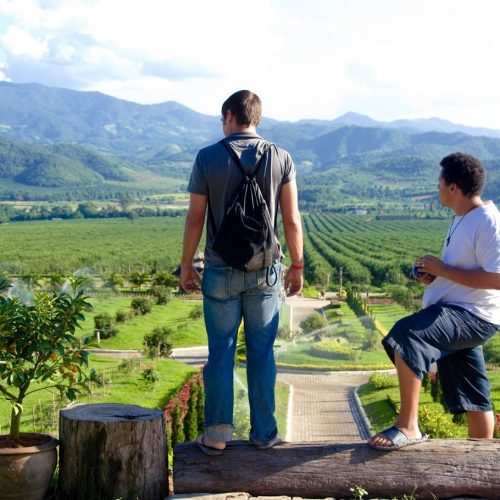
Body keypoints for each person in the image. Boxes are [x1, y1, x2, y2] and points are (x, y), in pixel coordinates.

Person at [180, 90, 303, 455]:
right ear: (257, 119)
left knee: (221, 352)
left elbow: (195, 218)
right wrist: (297, 265)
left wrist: (187, 264)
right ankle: (264, 433)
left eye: (222, 119)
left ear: (230, 115)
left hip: (219, 268)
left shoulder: (207, 157)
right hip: (265, 270)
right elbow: (292, 220)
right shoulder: (281, 157)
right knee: (262, 353)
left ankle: (217, 435)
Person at [369, 152, 500, 450]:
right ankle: (484, 463)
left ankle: (408, 426)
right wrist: (435, 276)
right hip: (461, 312)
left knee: (407, 335)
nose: (437, 186)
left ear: (453, 187)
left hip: (471, 316)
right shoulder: (463, 218)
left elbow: (497, 278)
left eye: (440, 181)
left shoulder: (488, 220)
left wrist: (442, 269)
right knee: (474, 394)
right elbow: (465, 271)